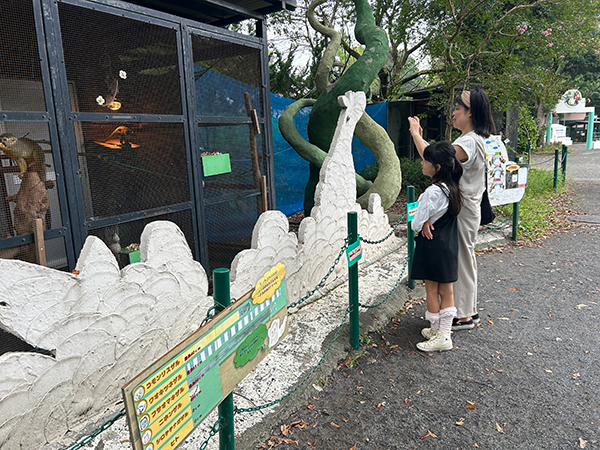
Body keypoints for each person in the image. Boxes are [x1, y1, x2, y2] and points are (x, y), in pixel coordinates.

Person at [408, 88, 495, 331]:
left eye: (458, 108)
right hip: (466, 208)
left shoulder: (468, 141)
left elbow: (436, 157)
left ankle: (464, 315)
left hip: (463, 210)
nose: (453, 113)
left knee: (462, 260)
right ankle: (469, 310)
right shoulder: (475, 139)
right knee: (464, 258)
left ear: (471, 113)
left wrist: (415, 134)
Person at [410, 141, 463, 351]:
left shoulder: (432, 192)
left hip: (432, 245)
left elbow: (415, 224)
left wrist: (422, 221)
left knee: (432, 289)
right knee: (447, 290)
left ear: (437, 167)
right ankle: (442, 332)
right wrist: (426, 220)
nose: (422, 163)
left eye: (426, 160)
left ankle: (440, 334)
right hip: (448, 243)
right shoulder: (453, 188)